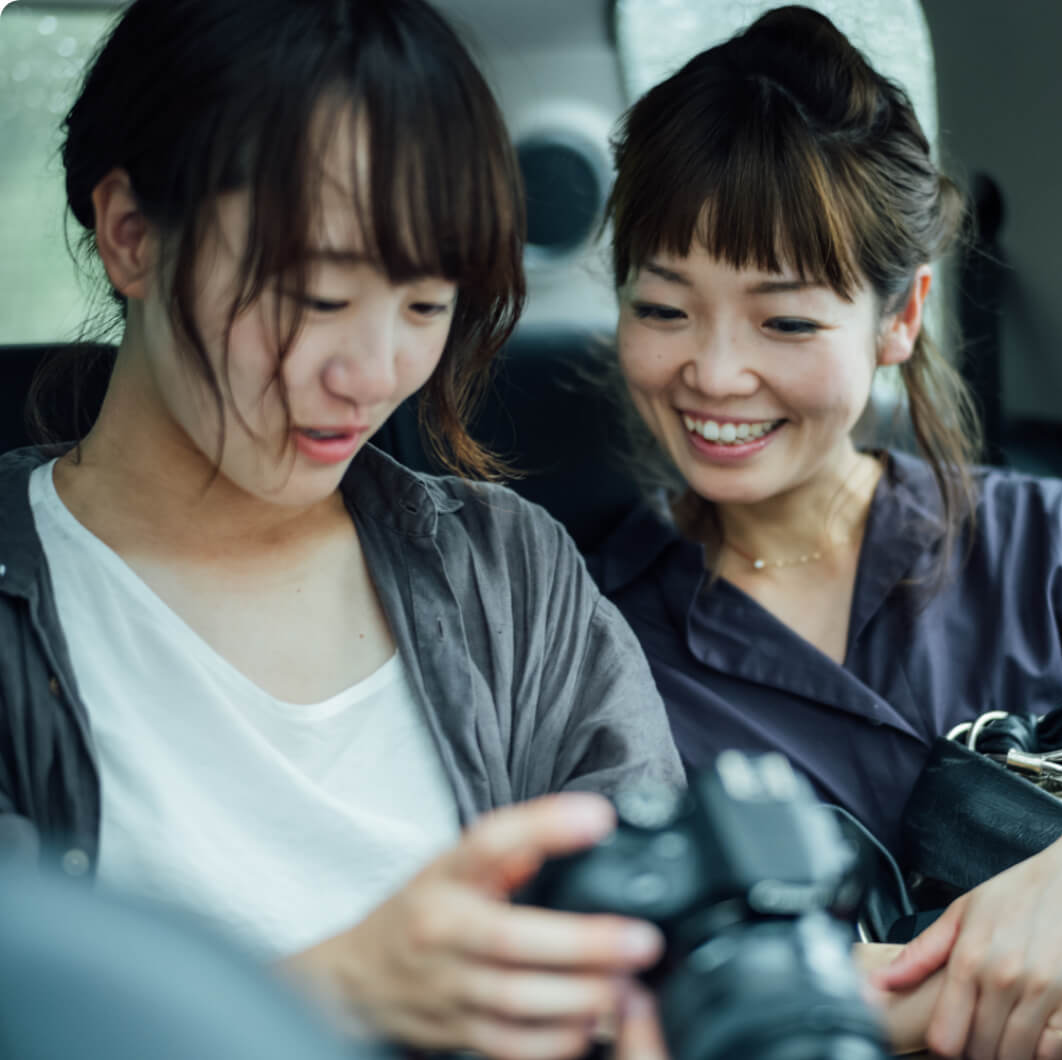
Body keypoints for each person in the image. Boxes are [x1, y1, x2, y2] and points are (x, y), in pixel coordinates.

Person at [0, 1, 684, 1057]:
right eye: (316, 297)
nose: (370, 377)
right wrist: (338, 989)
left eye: (423, 306)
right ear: (131, 235)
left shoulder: (511, 574)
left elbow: (656, 933)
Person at [590, 6, 1062, 1058]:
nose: (715, 373)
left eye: (785, 321)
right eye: (663, 308)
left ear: (900, 316)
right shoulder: (593, 642)